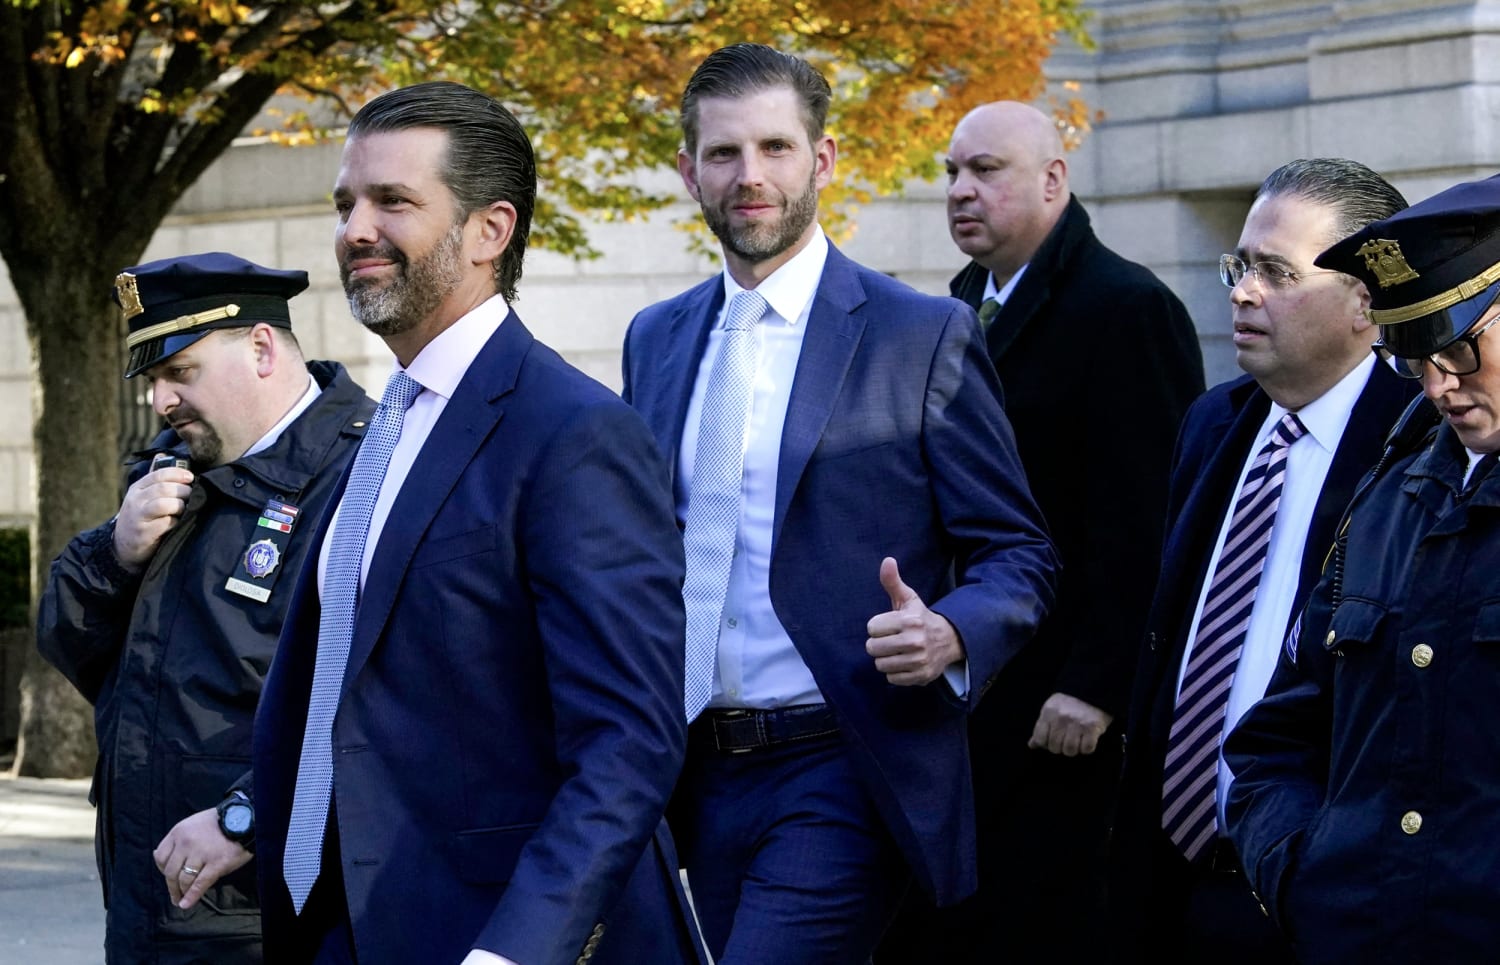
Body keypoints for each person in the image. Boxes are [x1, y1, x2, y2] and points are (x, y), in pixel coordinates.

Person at [621, 44, 1059, 964]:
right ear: (687, 170)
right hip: (685, 769)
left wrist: (951, 631)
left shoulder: (921, 334)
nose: (751, 177)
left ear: (821, 162)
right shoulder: (655, 339)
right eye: (724, 154)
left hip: (842, 763)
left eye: (777, 148)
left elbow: (1018, 553)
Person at [250, 82, 700, 965]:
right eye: (347, 204)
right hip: (342, 926)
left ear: (491, 231)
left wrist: (516, 952)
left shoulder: (574, 434)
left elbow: (629, 742)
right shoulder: (380, 428)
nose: (355, 230)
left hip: (497, 937)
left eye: (394, 202)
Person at [878, 101, 1205, 962]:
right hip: (958, 689)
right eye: (951, 172)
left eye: (986, 170)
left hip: (1059, 709)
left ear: (1054, 180)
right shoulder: (954, 307)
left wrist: (1099, 682)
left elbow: (1147, 519)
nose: (960, 190)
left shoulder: (1128, 308)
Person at [1109, 158, 1415, 963]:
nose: (1243, 291)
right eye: (1240, 266)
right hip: (1167, 877)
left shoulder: (1416, 449)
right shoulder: (1215, 422)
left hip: (1308, 896)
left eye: (1277, 272)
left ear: (1367, 300)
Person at [36, 252, 375, 964]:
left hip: (270, 921)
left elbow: (379, 700)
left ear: (259, 347)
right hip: (153, 910)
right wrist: (115, 553)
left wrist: (243, 816)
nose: (160, 400)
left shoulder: (363, 473)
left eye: (178, 372)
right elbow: (70, 641)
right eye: (153, 379)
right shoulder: (174, 470)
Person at [1224, 175, 1500, 963]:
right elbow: (1278, 737)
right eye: (1412, 354)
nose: (1438, 383)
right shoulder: (1390, 499)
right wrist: (1305, 872)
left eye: (1457, 346)